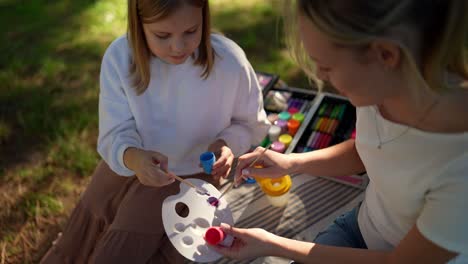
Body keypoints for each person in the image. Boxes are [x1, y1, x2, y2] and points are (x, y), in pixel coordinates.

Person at [210, 0, 468, 263]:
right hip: (359, 227)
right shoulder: (383, 87)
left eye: (328, 66)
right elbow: (367, 150)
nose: (321, 76)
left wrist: (271, 244)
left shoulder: (460, 168)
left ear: (386, 55)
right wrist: (292, 163)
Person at [40, 0, 269, 263]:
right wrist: (134, 158)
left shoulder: (230, 62)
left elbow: (250, 124)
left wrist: (226, 143)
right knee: (76, 241)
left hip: (191, 177)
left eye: (191, 31)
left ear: (204, 17)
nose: (178, 46)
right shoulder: (120, 58)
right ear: (139, 25)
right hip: (124, 164)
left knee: (118, 251)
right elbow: (115, 131)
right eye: (162, 35)